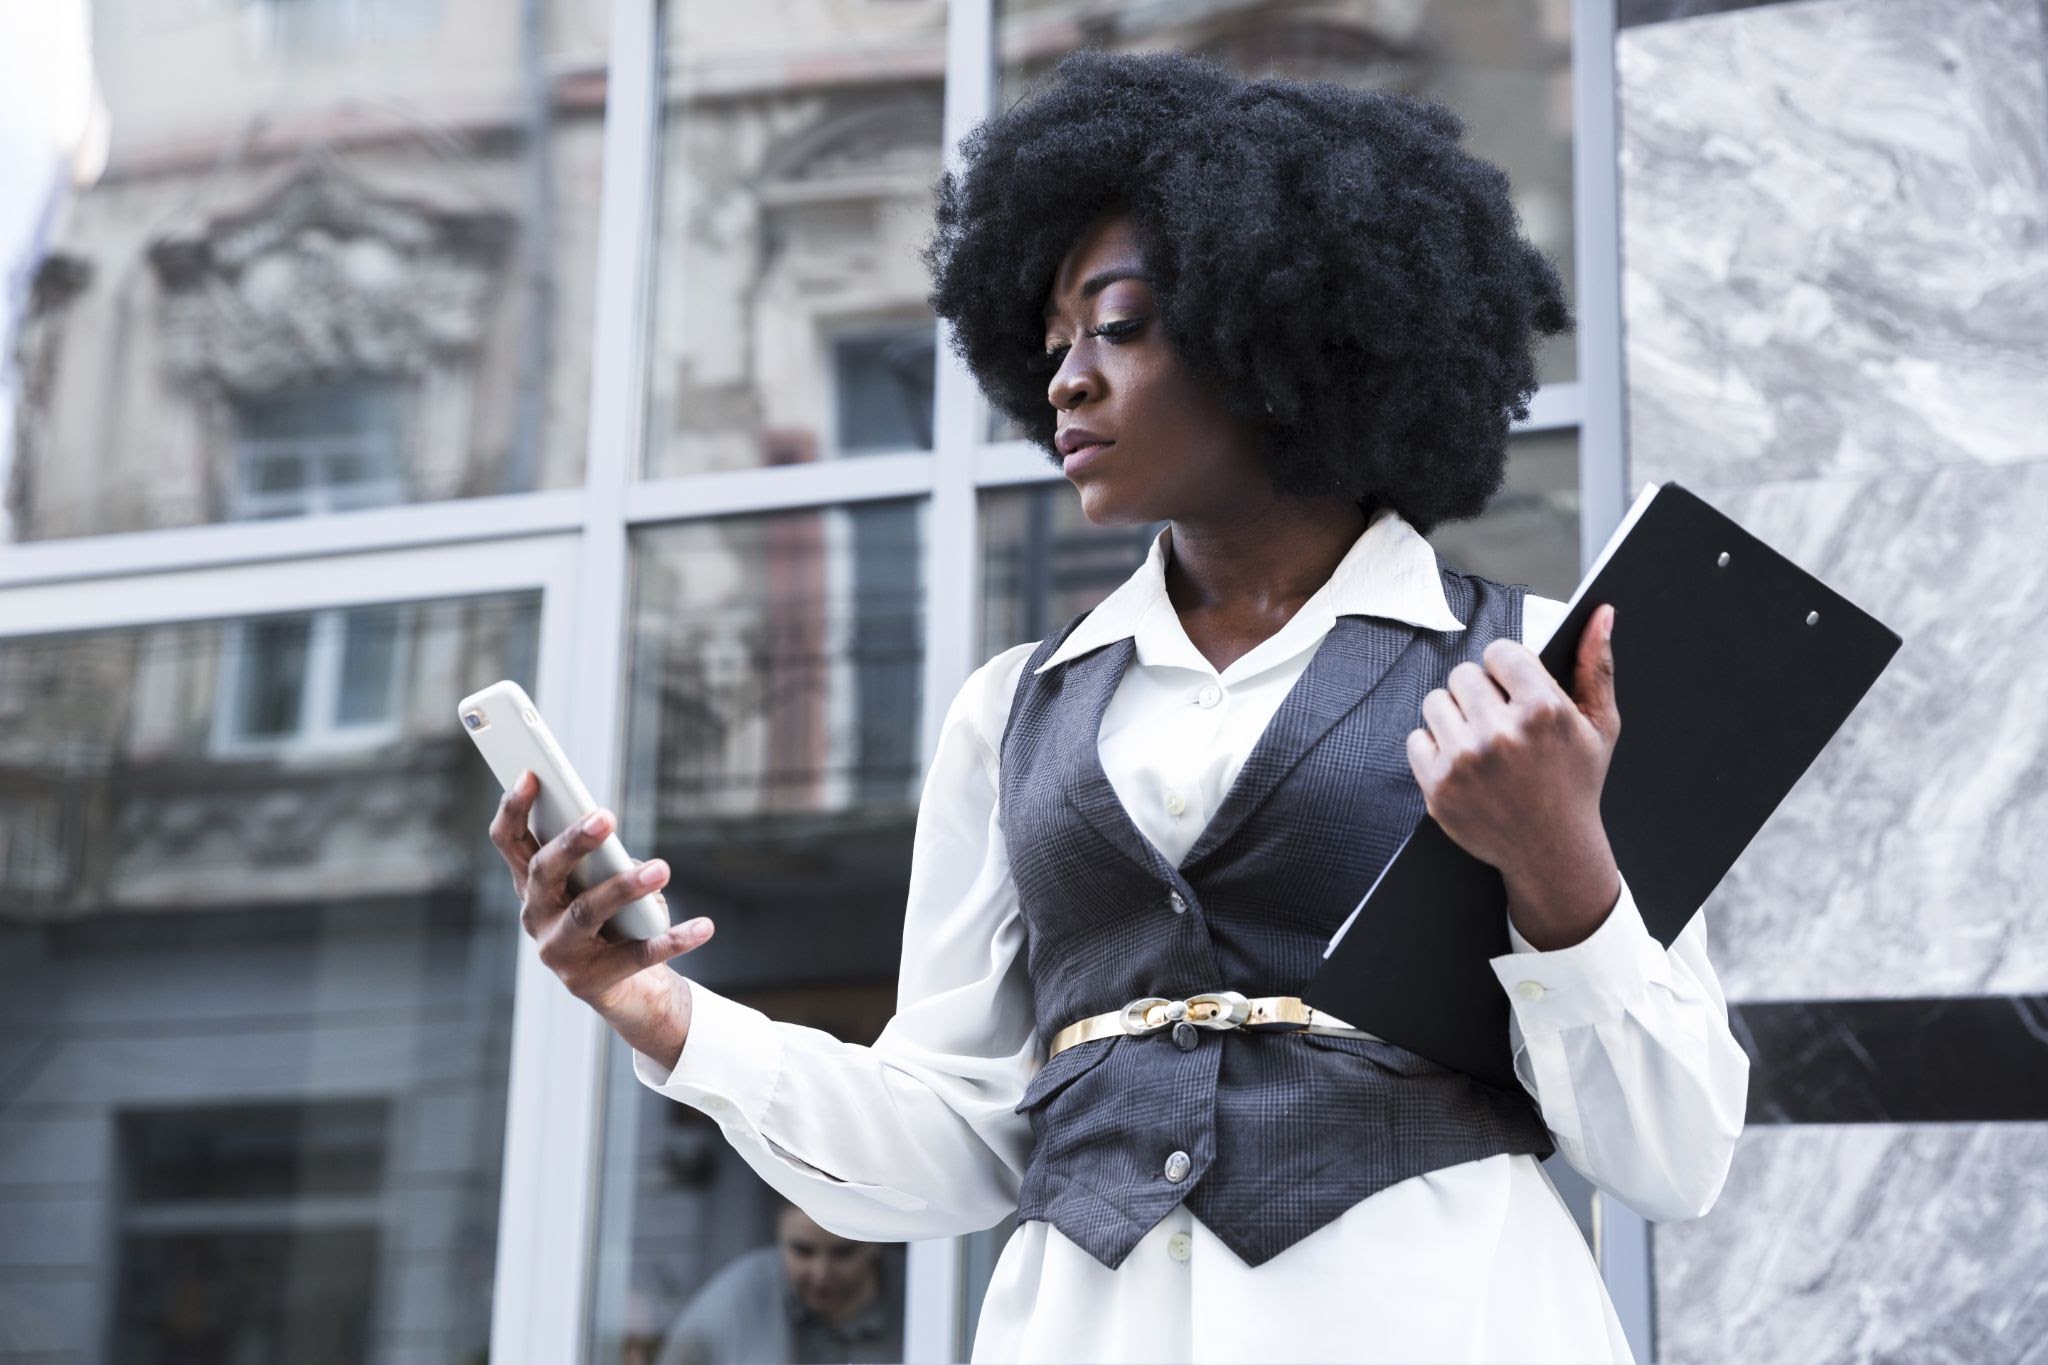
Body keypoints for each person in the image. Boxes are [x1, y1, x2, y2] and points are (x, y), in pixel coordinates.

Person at [490, 48, 1749, 1363]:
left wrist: (1561, 863)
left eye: (1120, 325)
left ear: (1291, 327)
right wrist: (667, 1017)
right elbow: (953, 1139)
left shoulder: (1538, 670)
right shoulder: (1010, 712)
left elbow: (1674, 1152)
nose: (1067, 381)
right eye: (1050, 345)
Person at [653, 1198, 903, 1365]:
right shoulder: (736, 1300)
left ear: (875, 1243)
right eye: (803, 1251)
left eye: (842, 1253)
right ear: (779, 1238)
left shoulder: (921, 1297)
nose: (821, 1273)